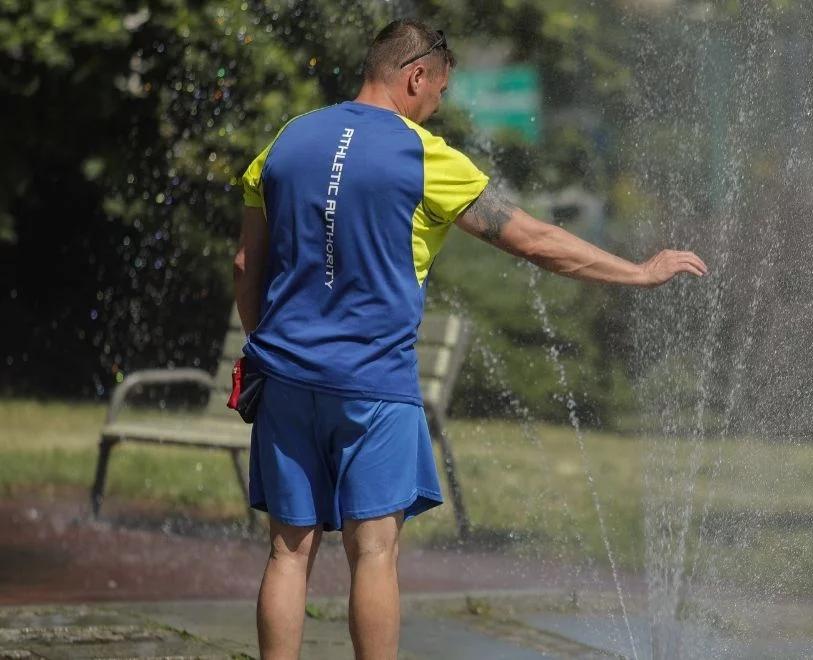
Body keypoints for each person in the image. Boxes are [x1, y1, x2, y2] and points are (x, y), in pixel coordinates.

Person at [232, 19, 707, 660]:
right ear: (415, 76)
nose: (437, 108)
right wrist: (639, 271)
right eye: (439, 92)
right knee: (373, 553)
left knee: (288, 553)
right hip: (372, 389)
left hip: (286, 379)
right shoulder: (423, 156)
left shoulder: (287, 141)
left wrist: (270, 347)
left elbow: (245, 266)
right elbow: (538, 242)